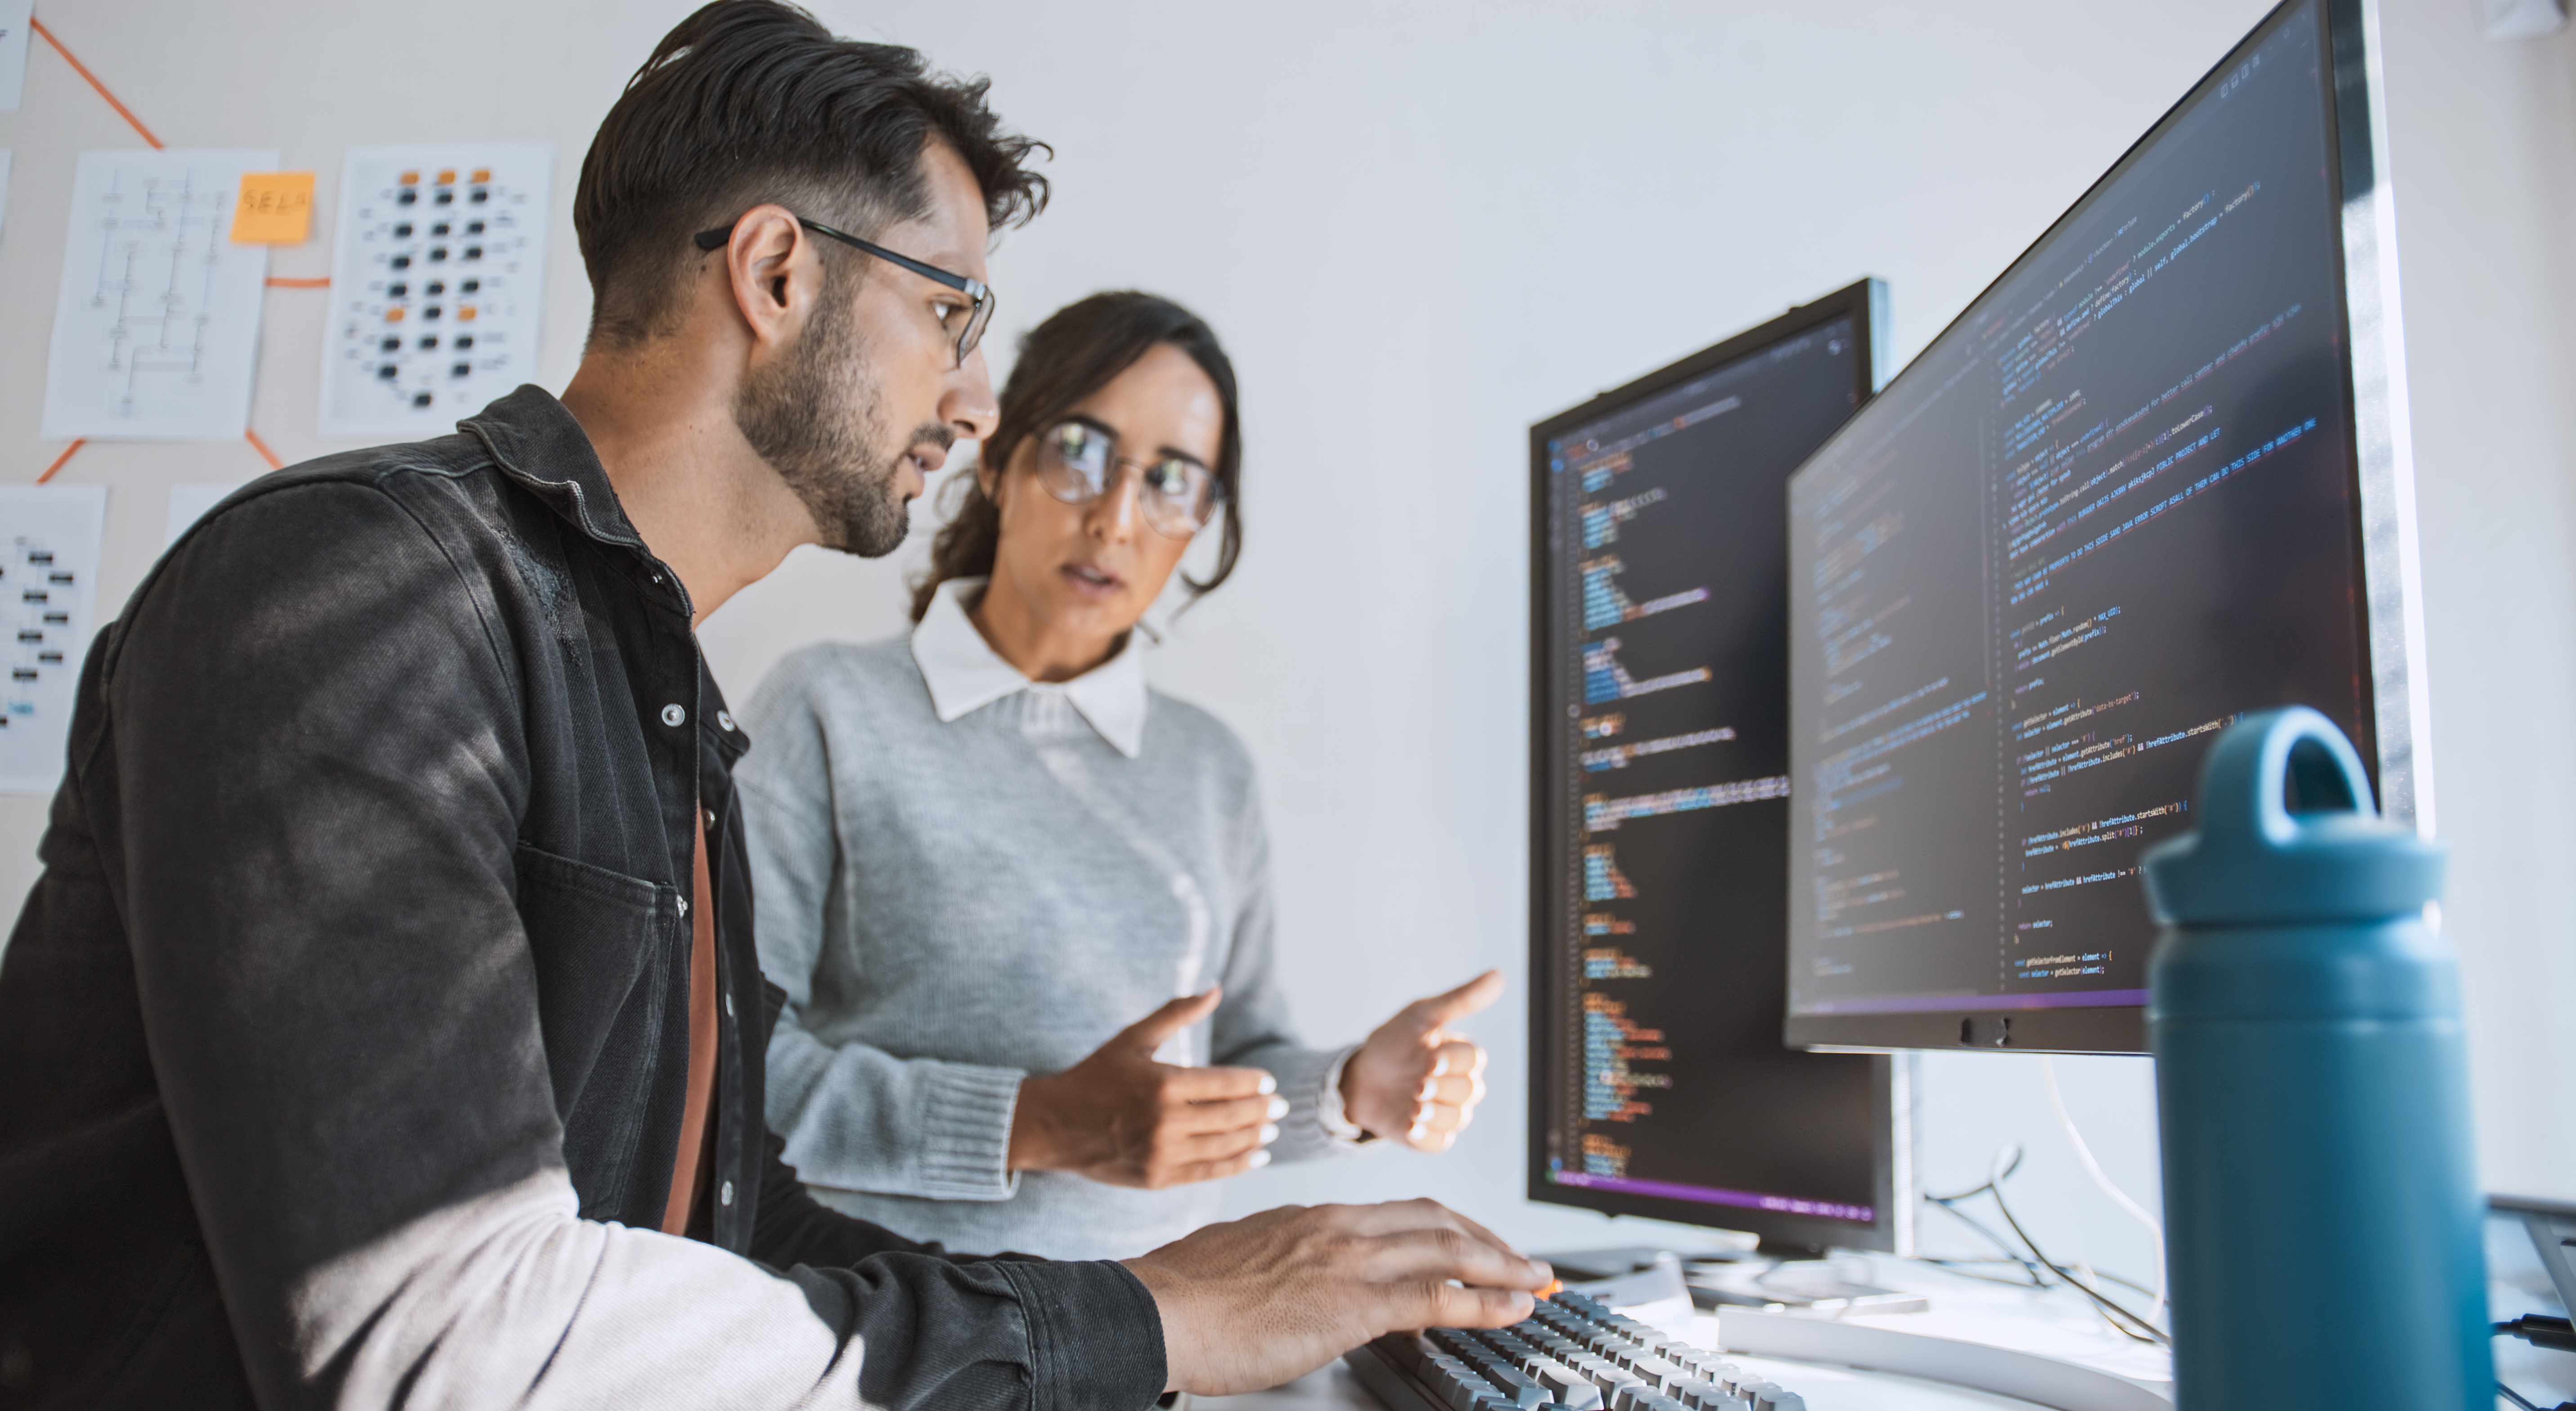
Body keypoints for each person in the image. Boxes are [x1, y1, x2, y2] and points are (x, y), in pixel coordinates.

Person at [0, 4, 1549, 1409]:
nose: (975, 401)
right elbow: (440, 1339)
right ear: (777, 274)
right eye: (953, 317)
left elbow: (736, 1220)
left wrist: (1154, 1319)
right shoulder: (357, 596)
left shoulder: (665, 707)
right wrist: (1144, 1320)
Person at [739, 291, 1505, 1260]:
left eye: (1172, 480)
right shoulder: (827, 708)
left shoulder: (1210, 767)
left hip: (1149, 1322)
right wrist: (1035, 1123)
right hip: (883, 1309)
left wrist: (1350, 1091)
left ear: (1202, 519)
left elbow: (1225, 1070)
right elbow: (730, 1066)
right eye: (1078, 452)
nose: (1114, 519)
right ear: (998, 461)